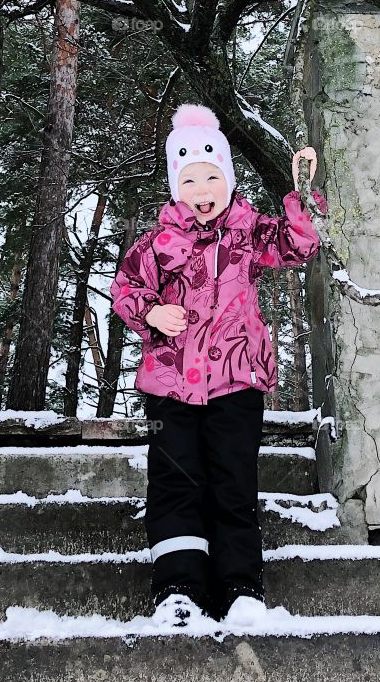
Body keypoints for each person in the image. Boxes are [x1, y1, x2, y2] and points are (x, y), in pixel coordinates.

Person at [109, 102, 327, 628]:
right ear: (174, 186)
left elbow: (297, 246)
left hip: (236, 381)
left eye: (212, 177)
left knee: (233, 480)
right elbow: (124, 290)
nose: (202, 190)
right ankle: (179, 587)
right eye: (190, 180)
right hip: (168, 388)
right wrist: (152, 311)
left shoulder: (248, 232)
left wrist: (299, 199)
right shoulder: (155, 244)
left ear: (227, 179)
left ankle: (240, 589)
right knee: (176, 480)